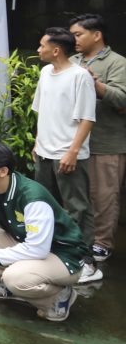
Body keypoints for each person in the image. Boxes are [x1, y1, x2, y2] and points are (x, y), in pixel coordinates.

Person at [0, 143, 87, 322]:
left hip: (63, 257)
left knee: (15, 278)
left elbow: (38, 248)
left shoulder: (32, 197)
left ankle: (58, 296)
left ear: (3, 171)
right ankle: (0, 283)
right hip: (28, 245)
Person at [32, 27, 101, 284]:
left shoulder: (80, 76)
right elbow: (42, 111)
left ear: (56, 50)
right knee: (44, 206)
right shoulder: (45, 73)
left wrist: (73, 152)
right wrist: (37, 142)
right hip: (44, 152)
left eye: (42, 46)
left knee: (77, 208)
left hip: (68, 154)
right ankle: (54, 254)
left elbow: (87, 119)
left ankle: (86, 260)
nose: (38, 50)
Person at [69, 13, 126, 263]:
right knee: (76, 196)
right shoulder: (71, 61)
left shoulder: (117, 62)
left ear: (97, 35)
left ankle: (102, 243)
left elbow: (122, 98)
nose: (74, 39)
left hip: (106, 142)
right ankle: (78, 239)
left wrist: (95, 84)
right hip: (72, 142)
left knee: (104, 196)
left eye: (78, 34)